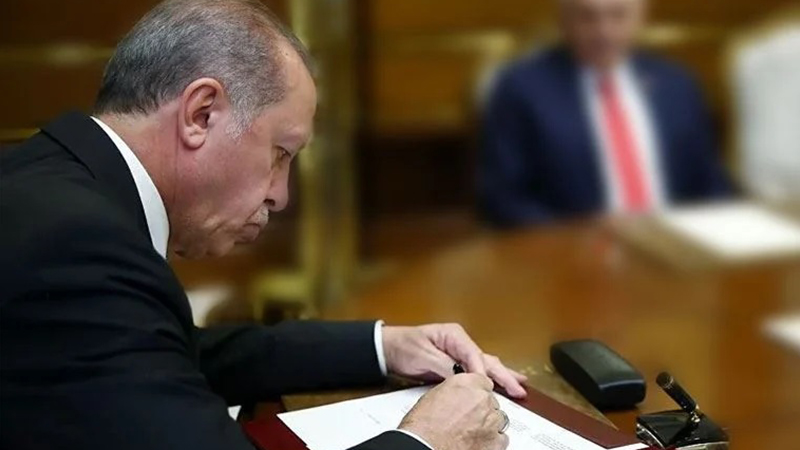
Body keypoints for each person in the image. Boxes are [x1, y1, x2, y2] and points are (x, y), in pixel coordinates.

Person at [0, 1, 526, 449]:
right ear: (201, 114)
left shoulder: (56, 185)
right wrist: (427, 440)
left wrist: (383, 346)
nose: (281, 194)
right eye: (280, 153)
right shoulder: (77, 247)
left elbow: (173, 353)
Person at [479, 0, 733, 228]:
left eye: (618, 15)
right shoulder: (522, 89)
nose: (604, 31)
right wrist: (578, 237)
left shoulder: (676, 84)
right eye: (587, 16)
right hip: (571, 252)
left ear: (642, 15)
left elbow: (710, 182)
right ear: (563, 19)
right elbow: (502, 198)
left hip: (674, 246)